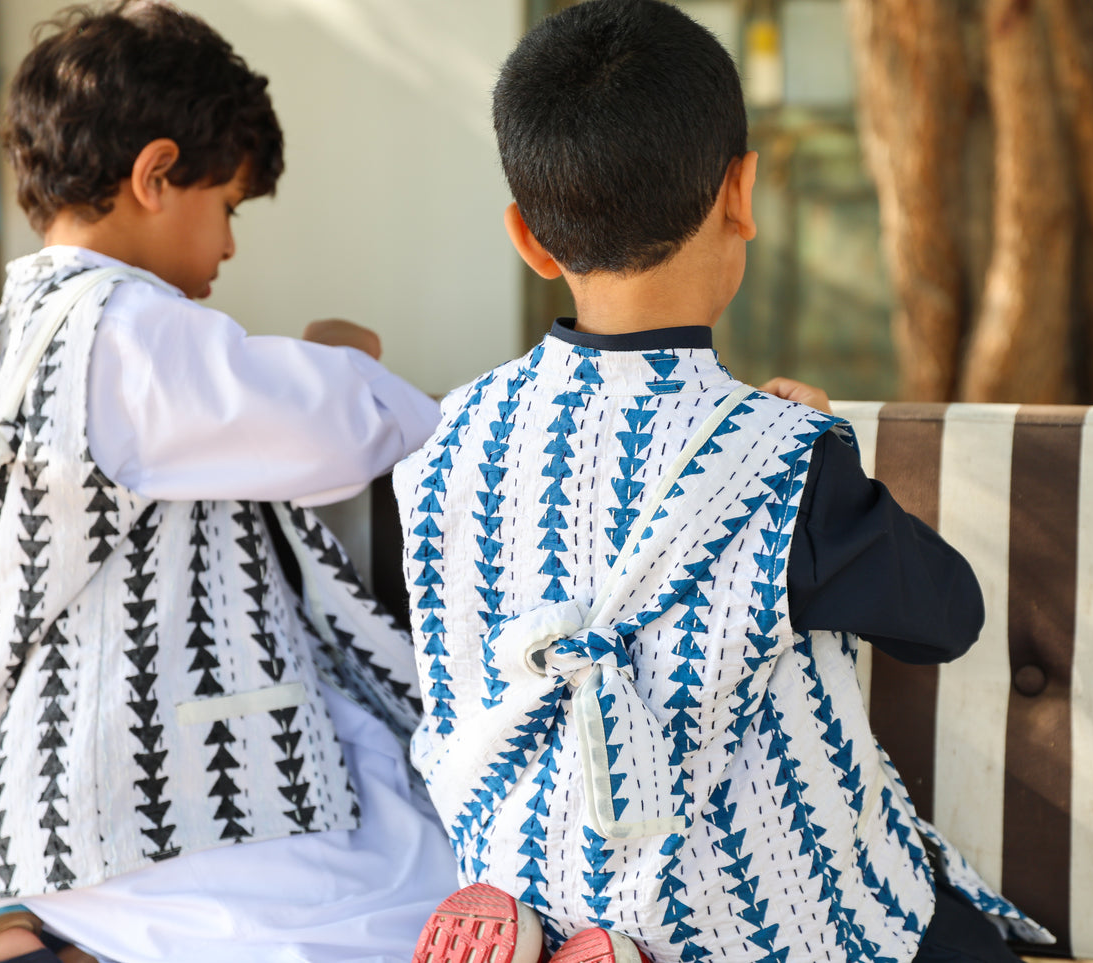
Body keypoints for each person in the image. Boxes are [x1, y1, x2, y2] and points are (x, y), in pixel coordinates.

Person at [394, 3, 1055, 963]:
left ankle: (575, 935)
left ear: (528, 238)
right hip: (762, 917)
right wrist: (819, 446)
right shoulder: (779, 455)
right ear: (741, 194)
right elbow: (946, 615)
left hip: (537, 876)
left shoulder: (449, 438)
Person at [0, 4, 456, 962]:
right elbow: (328, 426)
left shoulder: (36, 322)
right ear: (156, 175)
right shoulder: (123, 331)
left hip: (69, 783)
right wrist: (355, 366)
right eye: (229, 208)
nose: (231, 249)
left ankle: (49, 932)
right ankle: (52, 939)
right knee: (407, 903)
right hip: (156, 796)